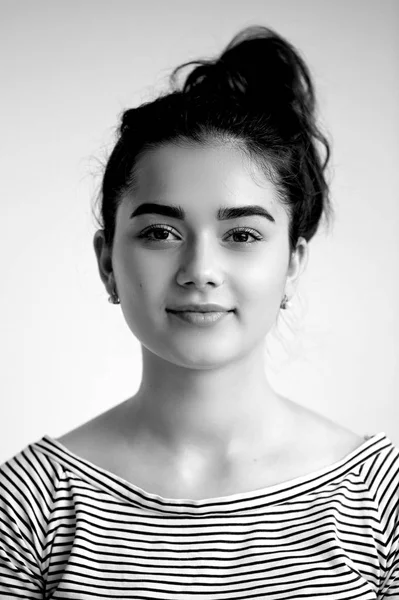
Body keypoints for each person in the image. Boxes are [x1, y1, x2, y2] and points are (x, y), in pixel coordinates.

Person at [0, 24, 398, 599]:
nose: (199, 268)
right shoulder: (28, 507)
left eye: (241, 233)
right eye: (161, 231)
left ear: (291, 262)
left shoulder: (381, 501)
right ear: (107, 261)